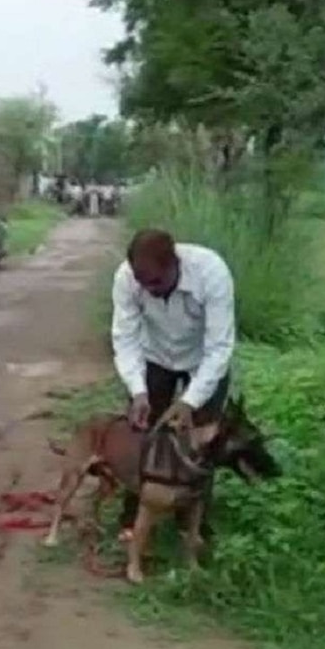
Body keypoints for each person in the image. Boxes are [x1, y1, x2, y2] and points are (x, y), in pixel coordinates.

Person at [111, 228, 235, 543]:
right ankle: (134, 515)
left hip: (203, 363)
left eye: (155, 283)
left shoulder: (211, 272)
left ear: (173, 264)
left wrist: (189, 402)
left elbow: (219, 348)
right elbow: (125, 338)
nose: (148, 291)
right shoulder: (127, 278)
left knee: (202, 441)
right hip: (155, 357)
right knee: (144, 432)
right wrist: (138, 389)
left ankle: (192, 524)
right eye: (142, 284)